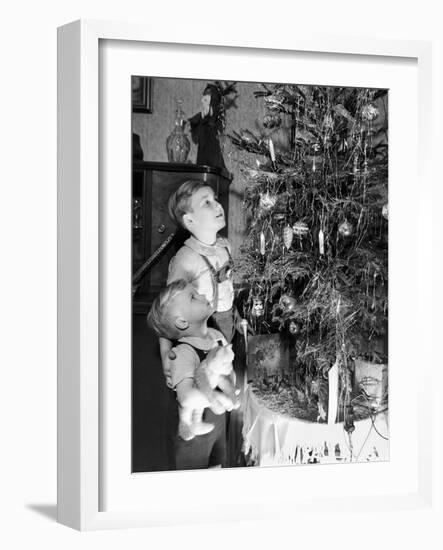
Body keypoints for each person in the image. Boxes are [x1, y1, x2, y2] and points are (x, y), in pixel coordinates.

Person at [159, 179, 250, 467]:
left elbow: (227, 287)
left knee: (222, 383)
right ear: (190, 220)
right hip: (198, 332)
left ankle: (216, 455)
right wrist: (165, 354)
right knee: (199, 387)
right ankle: (192, 452)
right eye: (206, 202)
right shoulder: (184, 260)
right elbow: (168, 309)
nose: (217, 204)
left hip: (223, 327)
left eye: (215, 198)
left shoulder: (224, 246)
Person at [148, 279, 239, 470]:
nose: (203, 295)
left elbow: (226, 370)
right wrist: (215, 398)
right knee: (193, 481)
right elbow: (187, 397)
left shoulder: (216, 336)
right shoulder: (183, 352)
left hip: (217, 423)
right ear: (182, 321)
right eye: (193, 297)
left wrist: (230, 386)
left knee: (218, 467)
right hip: (192, 429)